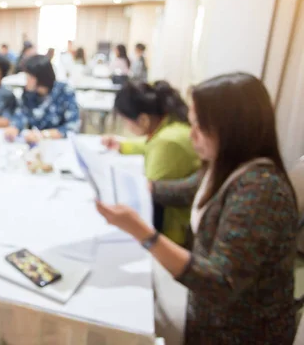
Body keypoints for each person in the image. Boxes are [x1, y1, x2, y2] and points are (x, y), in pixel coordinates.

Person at [96, 73, 301, 344]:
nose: (191, 135)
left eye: (200, 127)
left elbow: (221, 284)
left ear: (233, 129)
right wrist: (148, 188)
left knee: (119, 311)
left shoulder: (259, 191)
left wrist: (146, 235)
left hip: (237, 330)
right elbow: (189, 189)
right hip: (210, 307)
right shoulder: (225, 164)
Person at [101, 81, 199, 245]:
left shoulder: (167, 142)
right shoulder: (171, 125)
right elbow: (149, 144)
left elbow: (145, 195)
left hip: (172, 233)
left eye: (126, 121)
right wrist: (122, 146)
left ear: (144, 120)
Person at [5, 55, 80, 143]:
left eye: (28, 76)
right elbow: (20, 114)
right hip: (34, 144)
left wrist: (44, 135)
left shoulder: (64, 91)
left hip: (58, 144)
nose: (26, 80)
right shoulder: (28, 93)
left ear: (39, 77)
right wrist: (14, 127)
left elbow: (72, 126)